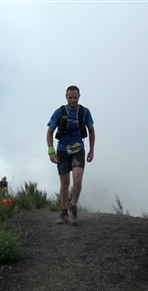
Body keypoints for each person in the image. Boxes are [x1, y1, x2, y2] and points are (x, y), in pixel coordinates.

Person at [46, 85, 95, 225]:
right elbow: (49, 132)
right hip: (62, 150)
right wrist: (51, 151)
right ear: (66, 97)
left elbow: (91, 130)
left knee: (77, 180)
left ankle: (73, 209)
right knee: (65, 183)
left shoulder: (85, 112)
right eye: (70, 97)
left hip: (78, 149)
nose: (73, 100)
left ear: (79, 96)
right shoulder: (59, 113)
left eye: (75, 97)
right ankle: (63, 212)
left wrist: (92, 150)